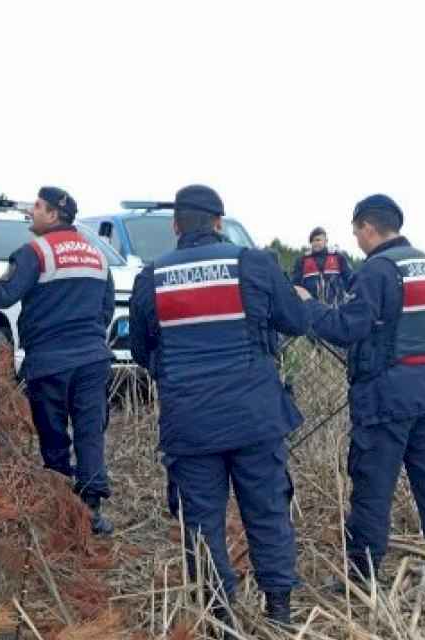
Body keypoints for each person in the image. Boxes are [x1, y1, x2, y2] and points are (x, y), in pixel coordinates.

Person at [129, 185, 310, 626]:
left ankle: (221, 617)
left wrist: (175, 372)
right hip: (255, 416)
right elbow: (296, 321)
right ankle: (279, 611)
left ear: (176, 226)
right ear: (218, 222)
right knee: (267, 511)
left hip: (190, 423)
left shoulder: (151, 278)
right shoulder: (254, 264)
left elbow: (139, 350)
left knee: (201, 522)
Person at [296, 194, 425, 589]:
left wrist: (308, 306)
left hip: (388, 398)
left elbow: (346, 328)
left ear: (368, 227)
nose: (356, 240)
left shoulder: (377, 270)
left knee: (373, 490)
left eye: (356, 231)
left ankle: (363, 577)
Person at [0, 186, 116, 535]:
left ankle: (61, 506)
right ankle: (92, 511)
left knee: (53, 435)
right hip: (93, 360)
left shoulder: (35, 253)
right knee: (90, 432)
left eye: (37, 206)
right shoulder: (97, 255)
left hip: (50, 361)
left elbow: (3, 295)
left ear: (53, 215)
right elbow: (106, 307)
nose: (31, 212)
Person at [292, 226, 354, 305]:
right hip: (311, 309)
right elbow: (295, 286)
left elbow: (350, 280)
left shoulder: (338, 257)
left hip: (336, 308)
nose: (315, 243)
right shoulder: (302, 260)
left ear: (326, 241)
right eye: (312, 241)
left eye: (318, 240)